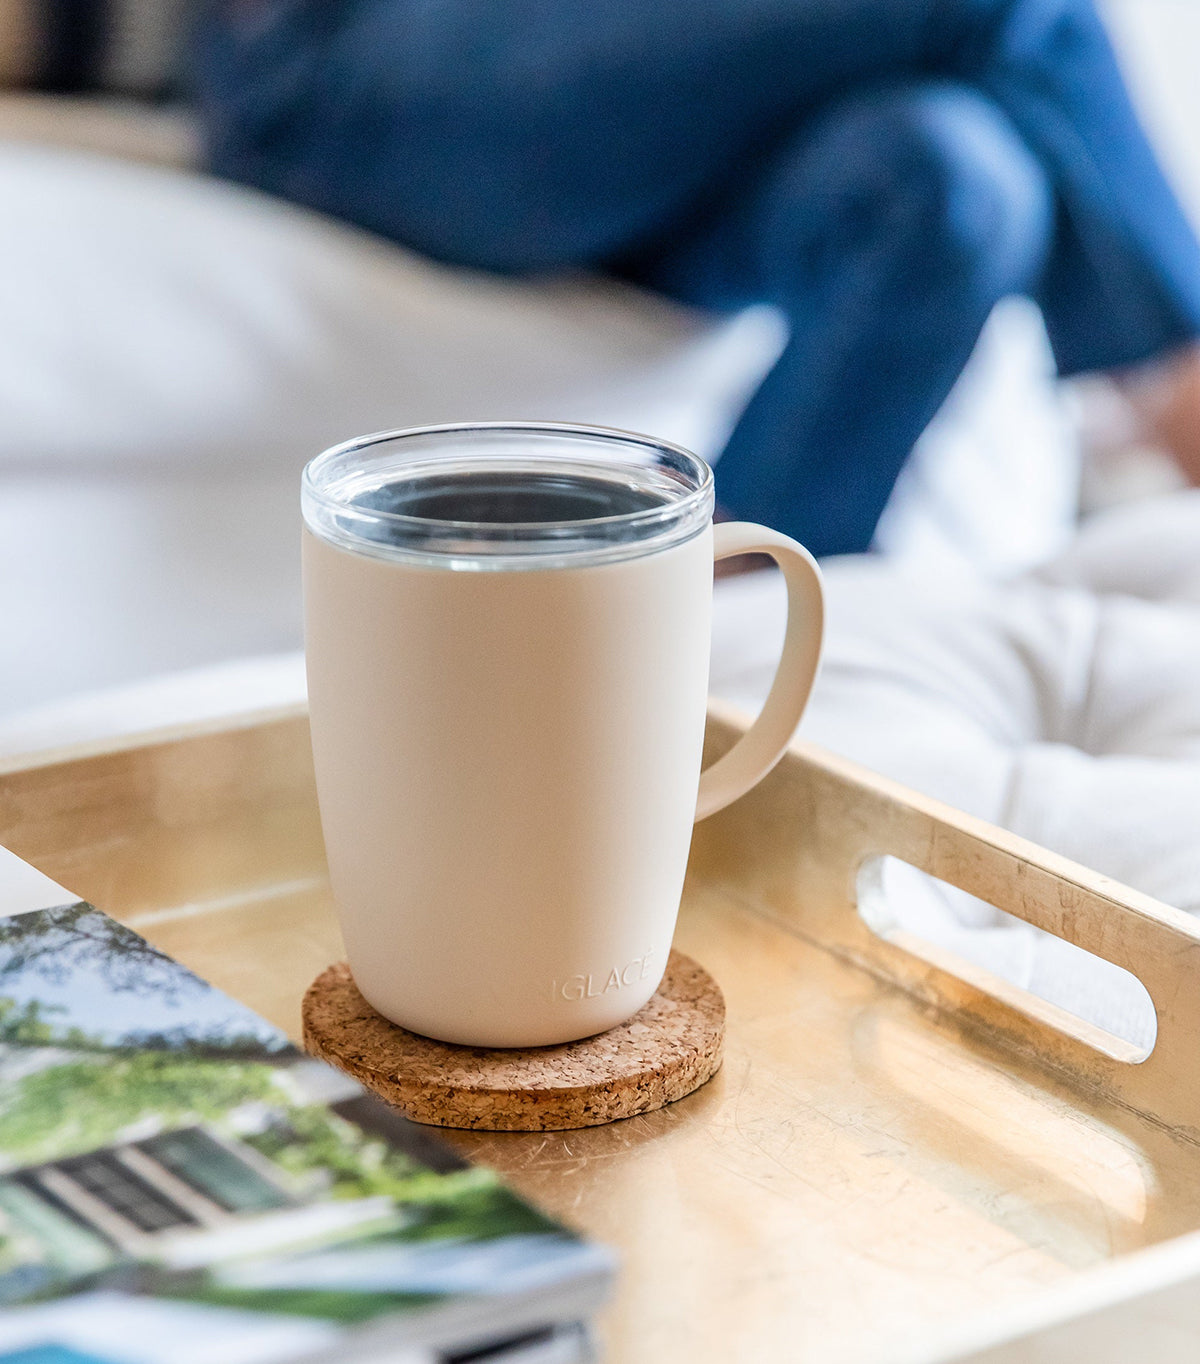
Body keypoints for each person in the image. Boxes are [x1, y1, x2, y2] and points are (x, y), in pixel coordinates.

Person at [192, 0, 1200, 558]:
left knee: (950, 182)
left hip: (645, 117)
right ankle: (1174, 383)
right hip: (349, 64)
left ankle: (727, 639)